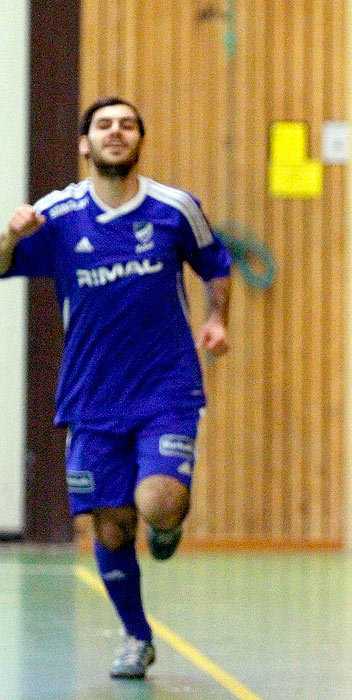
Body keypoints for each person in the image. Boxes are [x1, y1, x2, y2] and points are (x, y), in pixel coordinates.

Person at [0, 97, 232, 679]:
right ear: (85, 144)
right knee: (109, 524)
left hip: (166, 387)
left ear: (139, 141)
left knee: (157, 504)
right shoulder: (57, 215)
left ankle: (168, 526)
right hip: (91, 394)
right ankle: (136, 636)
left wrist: (217, 319)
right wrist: (9, 234)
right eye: (103, 125)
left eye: (126, 124)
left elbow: (216, 263)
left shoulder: (174, 209)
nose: (115, 132)